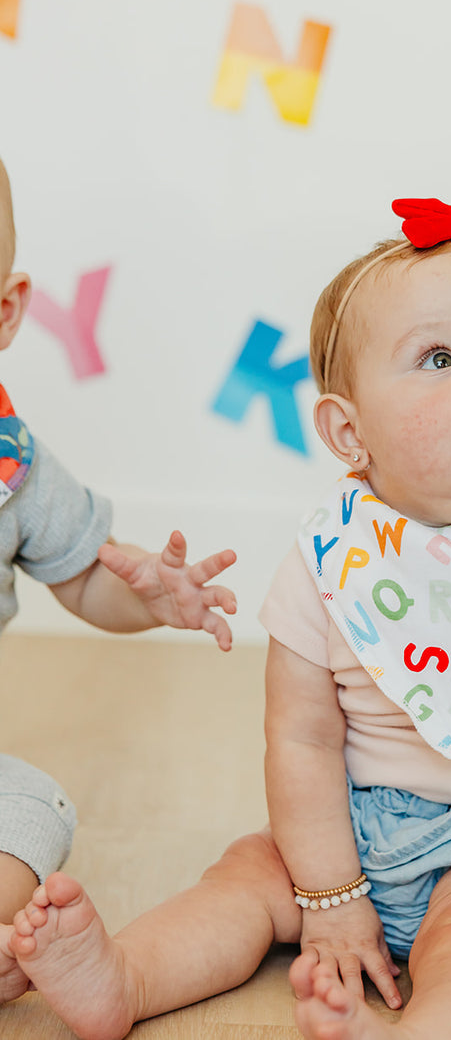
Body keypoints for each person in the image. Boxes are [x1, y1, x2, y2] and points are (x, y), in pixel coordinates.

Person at [9, 197, 451, 1040]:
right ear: (348, 430)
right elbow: (303, 741)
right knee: (246, 875)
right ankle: (125, 977)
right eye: (440, 356)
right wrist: (330, 897)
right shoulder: (333, 562)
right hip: (353, 832)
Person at [0, 157, 238, 1004]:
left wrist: (148, 598)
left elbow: (80, 580)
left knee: (35, 810)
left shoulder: (14, 468)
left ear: (5, 311)